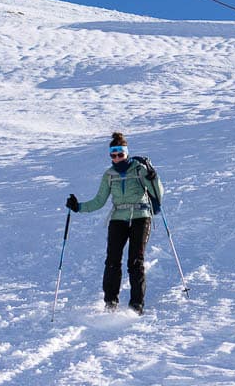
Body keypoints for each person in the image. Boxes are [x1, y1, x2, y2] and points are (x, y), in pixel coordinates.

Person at [66, 132, 163, 314]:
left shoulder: (139, 170)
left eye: (120, 154)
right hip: (118, 218)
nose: (117, 158)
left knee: (135, 261)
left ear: (126, 153)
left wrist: (153, 177)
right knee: (112, 260)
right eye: (113, 155)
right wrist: (77, 207)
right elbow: (99, 201)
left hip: (141, 216)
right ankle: (110, 302)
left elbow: (158, 194)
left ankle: (136, 305)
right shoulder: (109, 175)